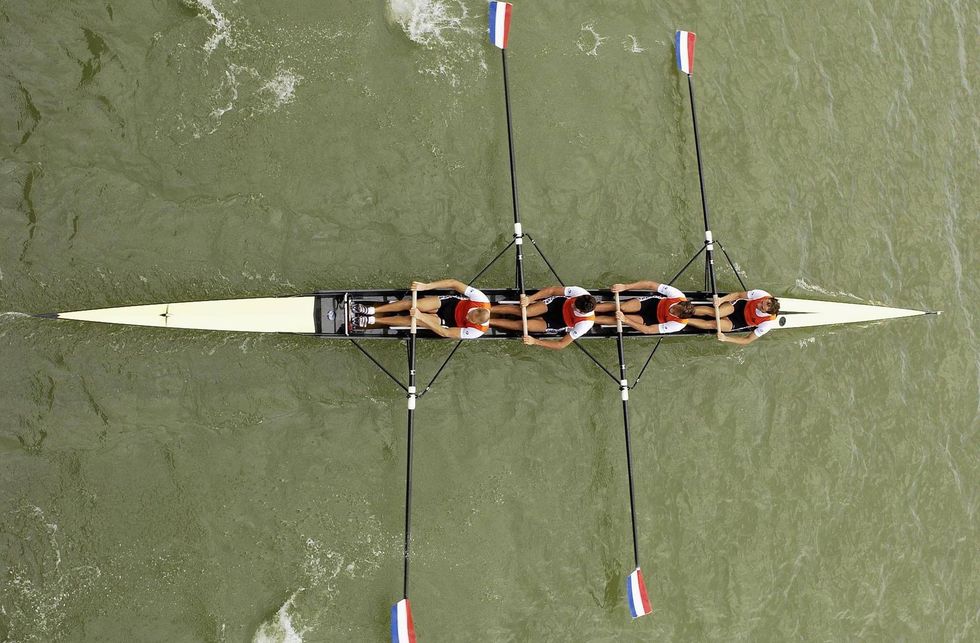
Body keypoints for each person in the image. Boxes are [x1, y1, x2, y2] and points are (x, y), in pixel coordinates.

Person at [351, 279, 491, 339]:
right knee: (412, 304)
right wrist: (425, 286)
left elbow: (445, 333)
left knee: (412, 319)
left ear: (476, 324)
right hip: (450, 304)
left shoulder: (476, 332)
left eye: (469, 320)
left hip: (448, 323)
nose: (467, 318)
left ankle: (373, 319)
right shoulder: (481, 299)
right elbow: (453, 283)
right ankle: (372, 310)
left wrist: (421, 317)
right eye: (470, 315)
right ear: (476, 308)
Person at [593, 280, 721, 334]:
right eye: (675, 307)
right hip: (652, 304)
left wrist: (626, 320)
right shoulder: (678, 296)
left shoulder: (678, 324)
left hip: (652, 320)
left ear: (679, 316)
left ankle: (590, 320)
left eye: (675, 312)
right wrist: (625, 287)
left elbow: (647, 330)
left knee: (621, 318)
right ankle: (593, 308)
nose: (673, 309)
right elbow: (650, 285)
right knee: (624, 307)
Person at [490, 285, 596, 350]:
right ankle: (487, 309)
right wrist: (530, 299)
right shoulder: (581, 292)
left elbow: (561, 344)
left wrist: (535, 342)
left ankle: (489, 321)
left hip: (558, 322)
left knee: (524, 325)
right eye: (574, 302)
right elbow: (552, 291)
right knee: (525, 312)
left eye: (575, 307)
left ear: (582, 312)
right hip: (557, 304)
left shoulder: (585, 324)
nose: (572, 305)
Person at [713, 289, 781, 345]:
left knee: (713, 324)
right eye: (762, 302)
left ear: (765, 312)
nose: (759, 304)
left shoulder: (767, 324)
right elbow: (738, 295)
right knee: (715, 313)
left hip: (741, 322)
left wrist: (725, 338)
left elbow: (747, 340)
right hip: (741, 306)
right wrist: (721, 300)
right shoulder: (762, 294)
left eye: (762, 307)